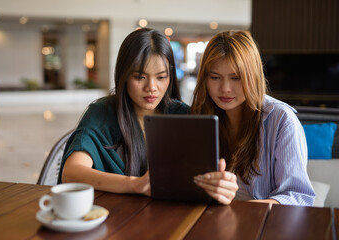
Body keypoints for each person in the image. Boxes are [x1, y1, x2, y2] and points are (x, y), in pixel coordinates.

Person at [58, 28, 189, 196]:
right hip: (114, 216)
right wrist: (135, 185)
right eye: (140, 77)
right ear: (123, 76)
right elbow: (72, 172)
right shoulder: (102, 113)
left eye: (161, 77)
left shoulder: (183, 115)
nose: (151, 88)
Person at [192, 30, 315, 206]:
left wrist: (241, 210)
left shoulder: (281, 119)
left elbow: (298, 197)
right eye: (215, 77)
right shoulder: (200, 117)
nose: (225, 88)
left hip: (262, 225)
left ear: (253, 76)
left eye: (236, 78)